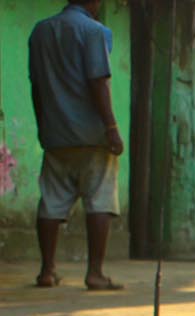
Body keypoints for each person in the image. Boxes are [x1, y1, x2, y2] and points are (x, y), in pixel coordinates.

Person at [27, 0, 124, 290]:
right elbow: (98, 83)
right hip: (92, 136)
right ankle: (95, 273)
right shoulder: (95, 32)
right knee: (100, 200)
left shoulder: (41, 32)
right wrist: (112, 128)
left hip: (55, 135)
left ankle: (47, 270)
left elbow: (36, 85)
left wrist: (44, 125)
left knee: (51, 201)